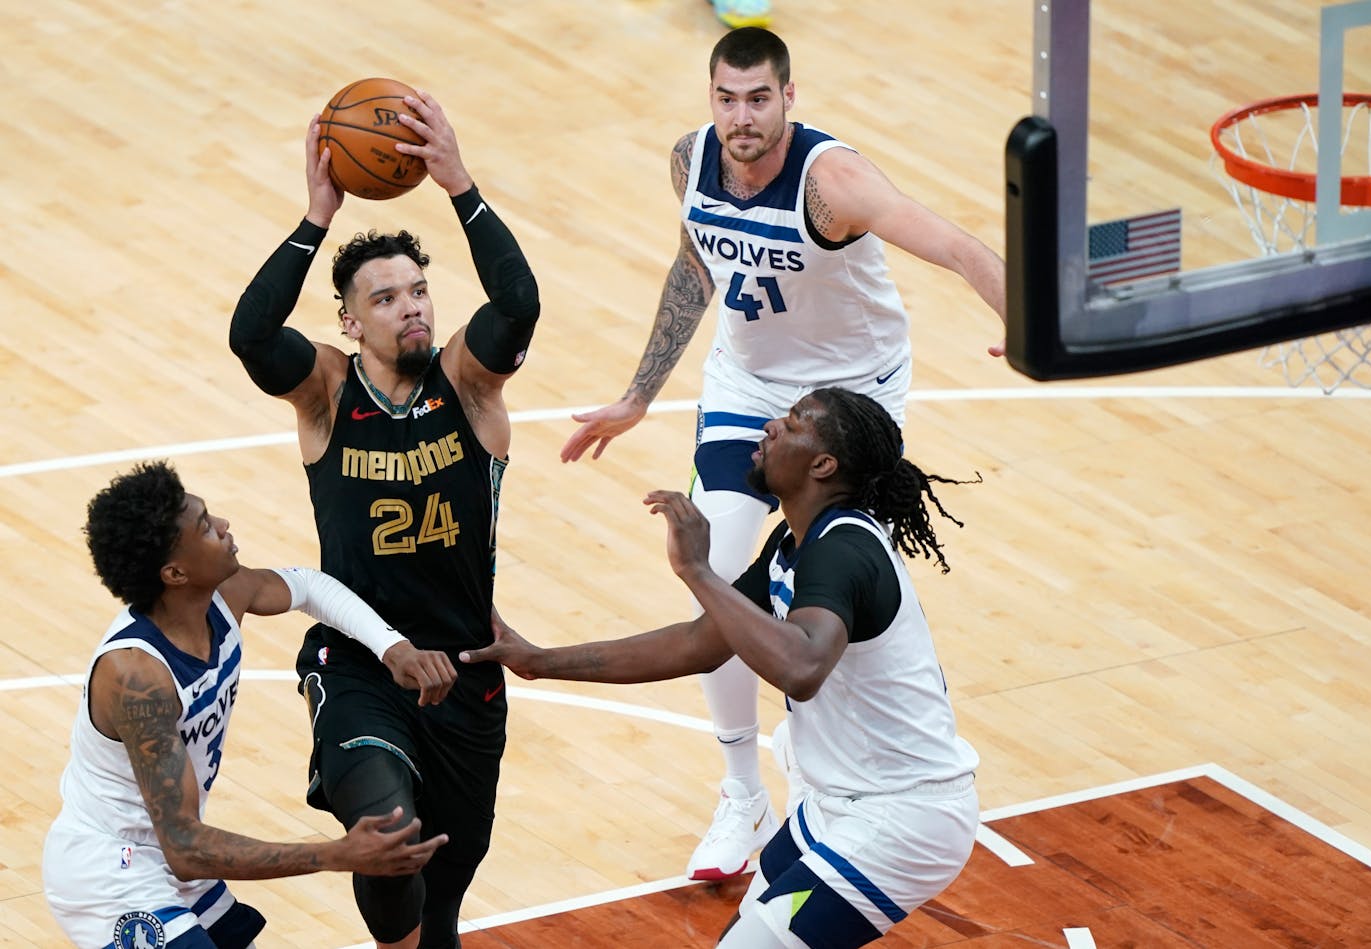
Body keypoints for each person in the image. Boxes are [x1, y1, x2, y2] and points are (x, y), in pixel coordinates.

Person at [560, 26, 1004, 880]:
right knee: (721, 572)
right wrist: (639, 393)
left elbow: (952, 244)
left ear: (789, 98)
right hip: (747, 387)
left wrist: (1020, 322)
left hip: (850, 398)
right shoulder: (690, 160)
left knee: (833, 582)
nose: (741, 117)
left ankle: (875, 758)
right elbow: (696, 267)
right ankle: (742, 794)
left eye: (758, 98)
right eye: (726, 98)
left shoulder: (831, 180)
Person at [471, 388, 981, 948]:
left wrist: (697, 571)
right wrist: (539, 661)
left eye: (792, 423)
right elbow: (698, 644)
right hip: (839, 801)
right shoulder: (794, 540)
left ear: (823, 464)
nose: (769, 427)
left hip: (902, 817)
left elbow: (802, 668)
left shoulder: (844, 550)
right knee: (738, 937)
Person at [228, 90, 540, 949]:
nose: (412, 306)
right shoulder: (327, 391)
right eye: (388, 296)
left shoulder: (469, 387)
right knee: (390, 837)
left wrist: (459, 184)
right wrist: (314, 218)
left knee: (441, 895)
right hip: (363, 661)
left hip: (468, 667)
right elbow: (252, 334)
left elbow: (518, 304)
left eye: (419, 290)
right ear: (350, 320)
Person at [43, 461, 456, 949]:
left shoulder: (223, 595)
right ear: (174, 573)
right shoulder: (137, 676)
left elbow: (307, 585)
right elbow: (186, 847)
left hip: (171, 853)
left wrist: (392, 647)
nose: (224, 526)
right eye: (205, 526)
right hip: (111, 867)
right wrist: (339, 853)